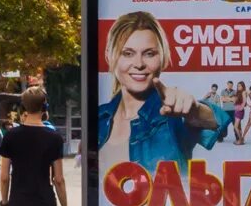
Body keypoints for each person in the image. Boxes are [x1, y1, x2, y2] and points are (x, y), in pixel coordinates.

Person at [95, 10, 229, 170]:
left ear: (164, 58)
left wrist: (195, 111)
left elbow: (218, 121)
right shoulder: (99, 118)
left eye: (149, 54)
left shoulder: (173, 117)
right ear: (109, 56)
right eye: (128, 53)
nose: (139, 63)